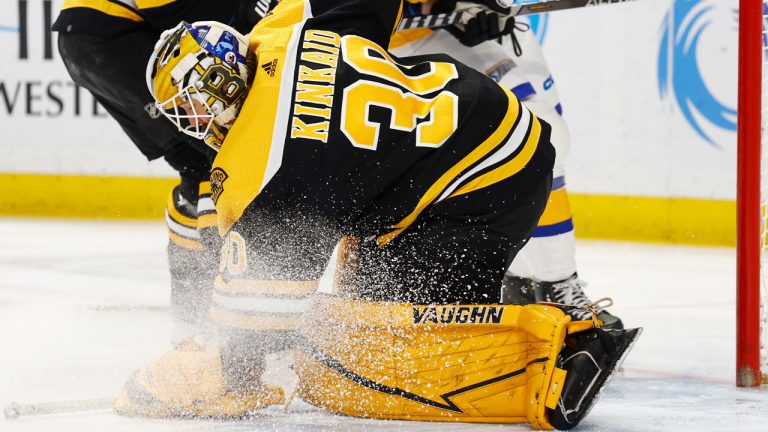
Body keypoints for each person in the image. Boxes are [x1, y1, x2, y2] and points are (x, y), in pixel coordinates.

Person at [114, 1, 641, 429]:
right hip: (478, 128)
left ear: (220, 89)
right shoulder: (281, 31)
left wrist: (211, 369)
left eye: (192, 108)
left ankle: (565, 349)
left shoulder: (262, 167)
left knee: (389, 355)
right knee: (358, 306)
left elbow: (256, 331)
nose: (195, 123)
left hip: (482, 193)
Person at [390, 4, 623, 328]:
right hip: (392, 34)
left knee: (547, 138)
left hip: (468, 22)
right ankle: (549, 283)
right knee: (538, 131)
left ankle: (533, 282)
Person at [52, 0, 272, 334]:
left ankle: (192, 305)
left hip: (91, 38)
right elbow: (183, 18)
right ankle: (231, 303)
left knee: (194, 164)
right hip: (110, 36)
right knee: (216, 157)